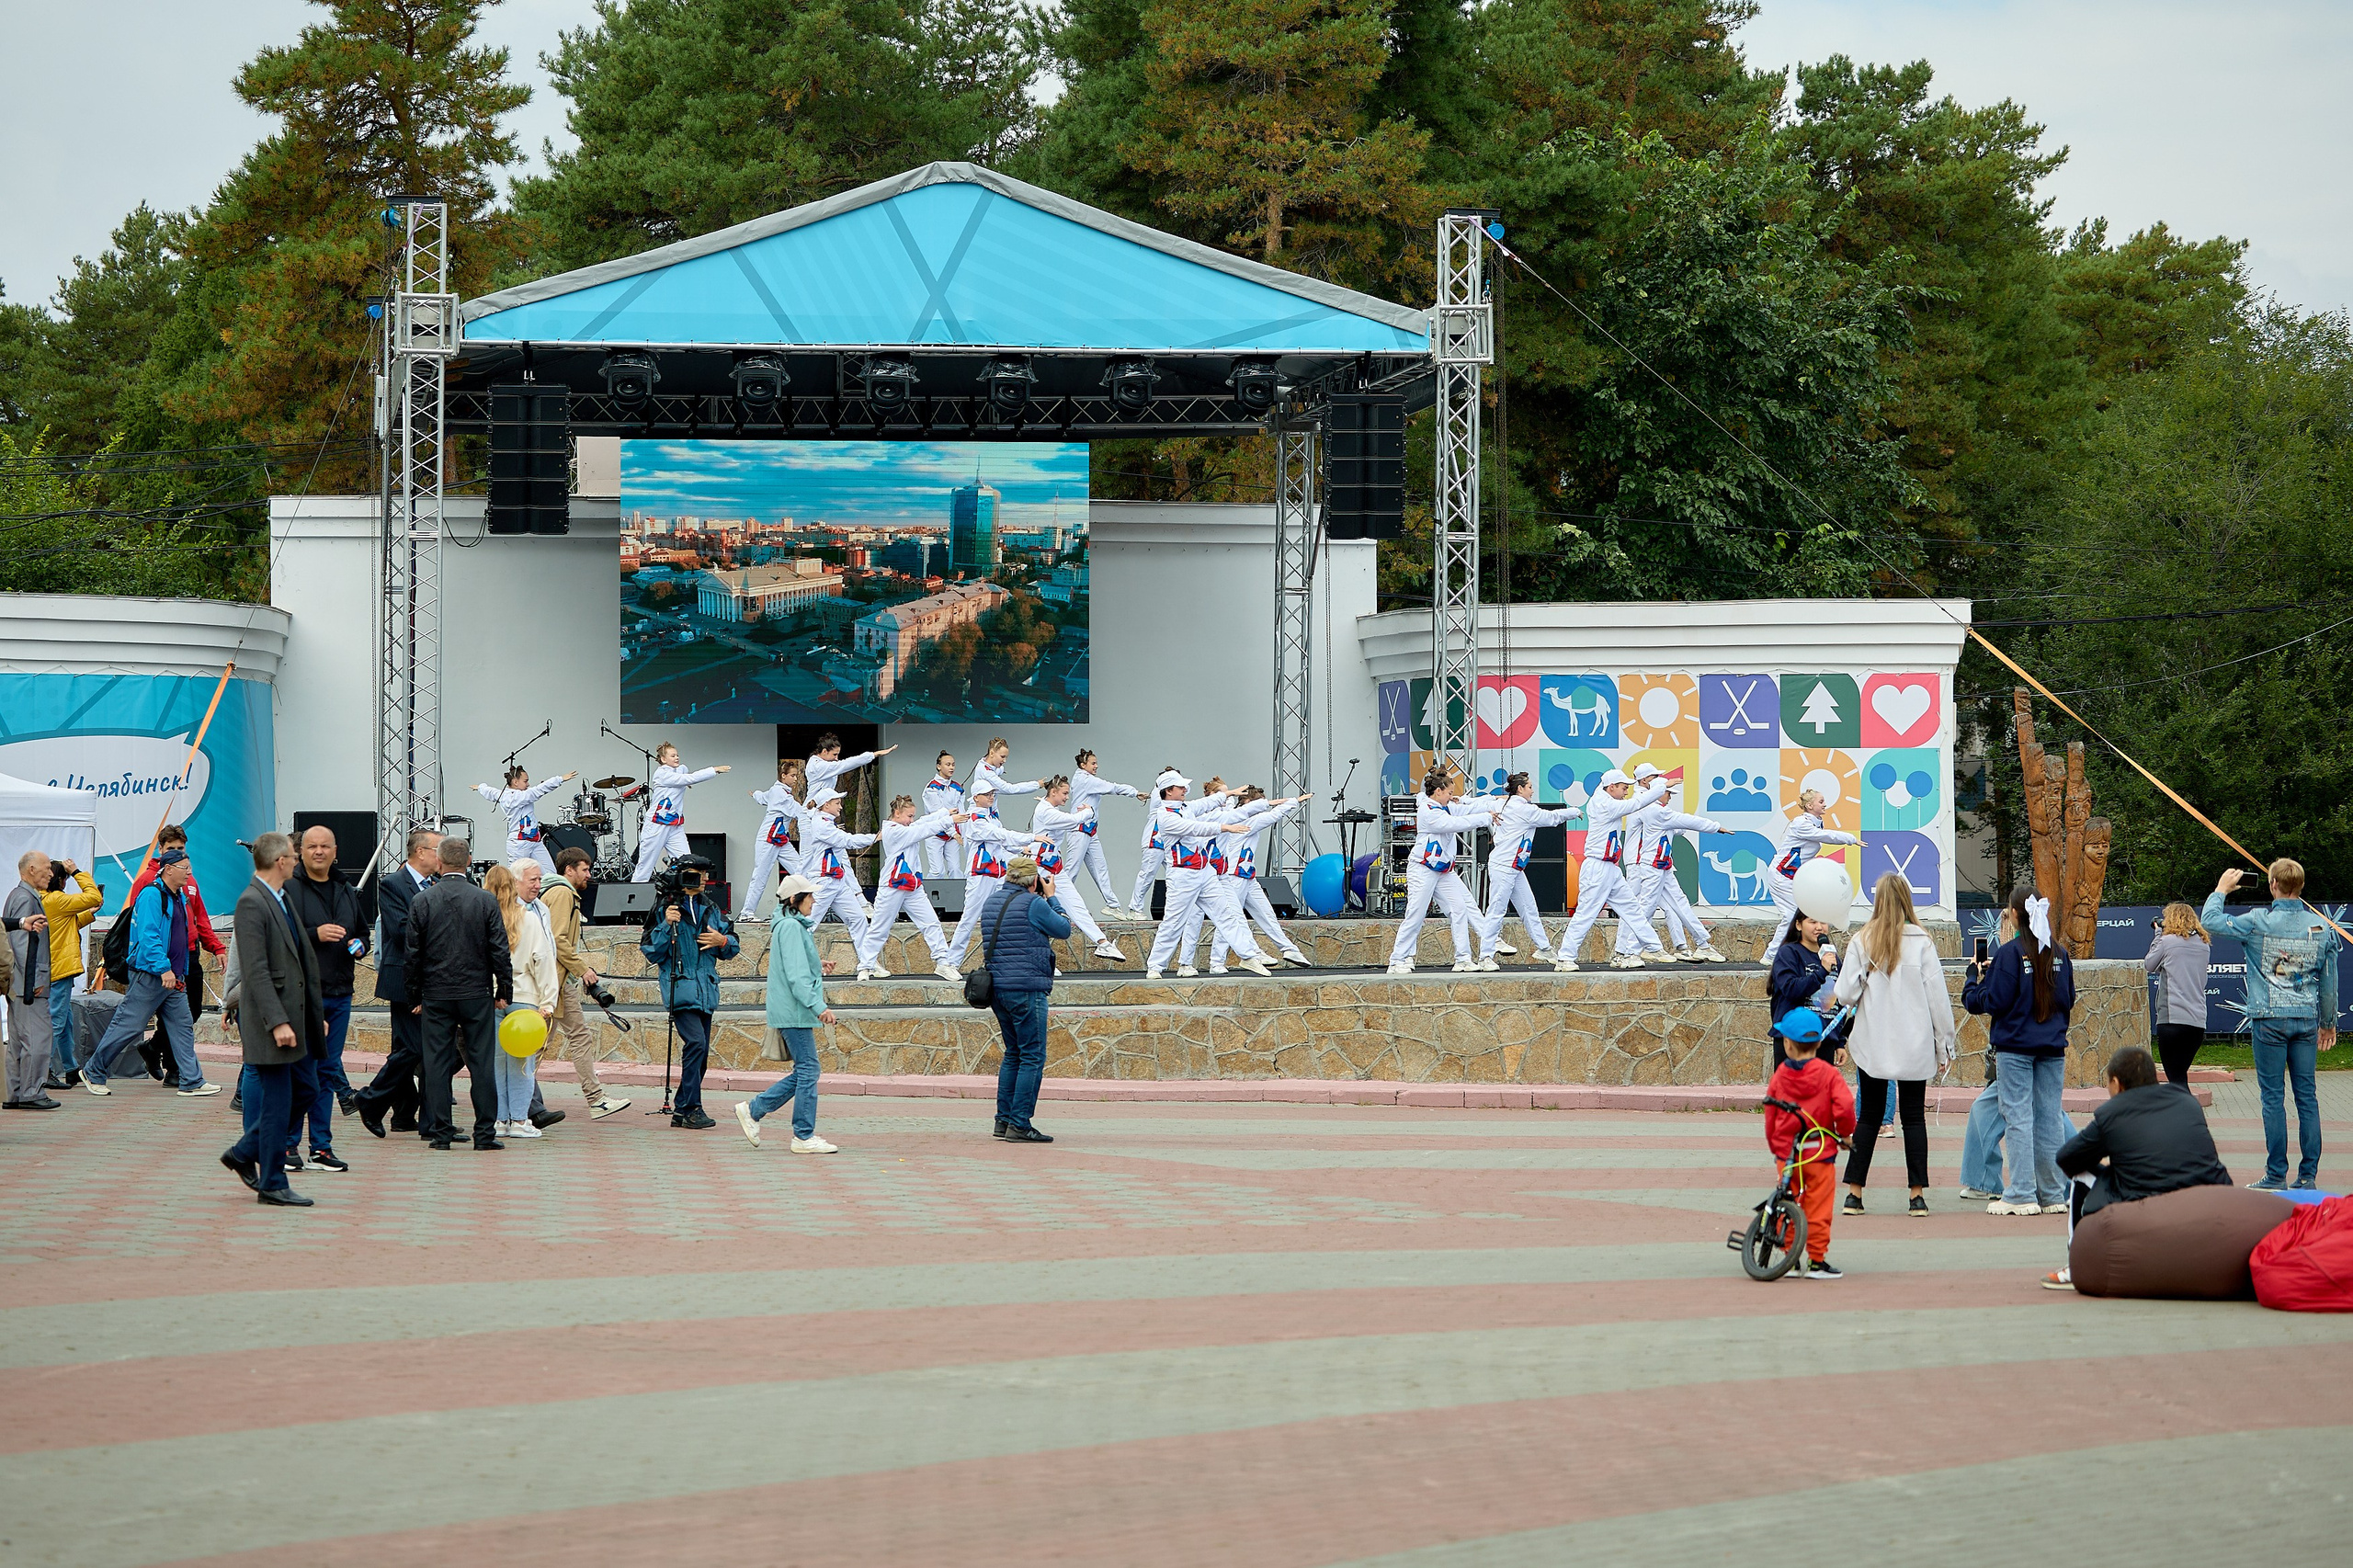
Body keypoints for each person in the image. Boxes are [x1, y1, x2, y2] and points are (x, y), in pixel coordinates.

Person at [2202, 859, 2340, 1190]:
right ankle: (2307, 1177)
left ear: (2273, 885)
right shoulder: (2321, 928)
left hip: (2269, 1020)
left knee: (2272, 1098)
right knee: (2307, 1097)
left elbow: (2210, 922)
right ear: (2301, 887)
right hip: (2305, 1020)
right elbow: (2329, 982)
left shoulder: (2257, 921)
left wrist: (2222, 889)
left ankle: (2276, 1174)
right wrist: (2328, 1023)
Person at [1835, 874, 1957, 1217]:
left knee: (1869, 1117)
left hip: (1873, 1043)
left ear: (1877, 901)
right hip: (1915, 1044)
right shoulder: (1922, 942)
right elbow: (1938, 1000)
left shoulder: (1862, 940)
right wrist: (1945, 1043)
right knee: (1914, 1118)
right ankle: (1916, 1196)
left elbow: (1845, 994)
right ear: (1907, 899)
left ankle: (1854, 1194)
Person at [222, 834, 328, 1207]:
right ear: (280, 861)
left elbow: (297, 961)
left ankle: (244, 1150)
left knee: (307, 1090)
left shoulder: (279, 897)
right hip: (273, 1023)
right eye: (293, 856)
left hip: (293, 1019)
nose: (298, 861)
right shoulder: (252, 902)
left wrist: (309, 1016)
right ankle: (272, 1181)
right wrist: (278, 1022)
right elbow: (257, 971)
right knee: (278, 1102)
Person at [1963, 884, 2076, 1215]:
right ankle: (2053, 1193)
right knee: (2049, 1119)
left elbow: (1992, 1001)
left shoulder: (2010, 954)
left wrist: (1974, 979)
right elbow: (2068, 999)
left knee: (2017, 1118)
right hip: (2052, 1048)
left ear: (2014, 914)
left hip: (2015, 1047)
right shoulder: (2059, 953)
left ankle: (2021, 1193)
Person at [81, 848, 216, 1096]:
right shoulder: (152, 896)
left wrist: (178, 972)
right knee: (129, 1026)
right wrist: (164, 968)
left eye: (190, 867)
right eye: (185, 867)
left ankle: (192, 1080)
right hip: (151, 975)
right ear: (169, 869)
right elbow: (149, 936)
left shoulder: (179, 897)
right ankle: (93, 1070)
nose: (190, 872)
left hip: (173, 978)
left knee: (182, 1025)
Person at [408, 836, 512, 1150]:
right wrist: (503, 988)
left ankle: (441, 1135)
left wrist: (414, 996)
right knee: (481, 1064)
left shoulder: (422, 901)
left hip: (436, 994)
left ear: (438, 863)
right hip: (475, 993)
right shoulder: (484, 900)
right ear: (468, 861)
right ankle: (485, 1135)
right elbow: (499, 949)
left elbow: (413, 953)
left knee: (437, 1064)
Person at [283, 826, 366, 1168]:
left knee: (327, 1072)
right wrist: (315, 934)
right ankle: (288, 1145)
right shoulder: (288, 889)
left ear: (335, 852)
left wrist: (360, 946)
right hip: (303, 995)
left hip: (339, 992)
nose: (318, 852)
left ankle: (321, 1147)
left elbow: (361, 931)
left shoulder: (346, 889)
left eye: (325, 847)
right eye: (311, 846)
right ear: (300, 851)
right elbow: (279, 938)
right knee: (301, 1072)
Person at [737, 873, 838, 1152]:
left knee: (807, 1070)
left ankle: (755, 1111)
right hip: (795, 1010)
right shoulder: (792, 927)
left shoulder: (787, 924)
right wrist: (820, 1008)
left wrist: (816, 965)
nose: (814, 901)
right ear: (795, 900)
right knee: (808, 1070)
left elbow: (794, 966)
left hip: (790, 1009)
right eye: (809, 896)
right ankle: (801, 1135)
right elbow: (795, 977)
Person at [119, 824, 227, 1083]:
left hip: (189, 954)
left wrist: (217, 947)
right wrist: (157, 960)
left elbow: (201, 918)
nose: (177, 854)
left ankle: (155, 1049)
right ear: (160, 850)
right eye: (171, 849)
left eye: (181, 849)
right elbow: (141, 922)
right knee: (168, 1014)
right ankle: (175, 1068)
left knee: (192, 1012)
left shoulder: (189, 879)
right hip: (162, 958)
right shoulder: (148, 880)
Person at [351, 827, 439, 1138]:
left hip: (432, 981)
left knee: (424, 1051)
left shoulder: (437, 885)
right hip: (403, 978)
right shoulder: (392, 885)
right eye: (436, 849)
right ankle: (371, 1099)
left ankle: (424, 1119)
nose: (441, 856)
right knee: (414, 1048)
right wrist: (442, 931)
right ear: (420, 852)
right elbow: (401, 930)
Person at [640, 858, 738, 1130]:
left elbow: (733, 945)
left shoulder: (711, 908)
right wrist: (664, 925)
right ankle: (692, 1107)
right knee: (695, 1043)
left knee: (701, 1051)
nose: (704, 878)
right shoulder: (665, 907)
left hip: (705, 988)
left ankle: (682, 1109)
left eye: (707, 873)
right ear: (683, 877)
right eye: (698, 874)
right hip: (680, 987)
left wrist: (724, 941)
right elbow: (650, 950)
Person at [1763, 1008, 1858, 1279]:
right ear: (1819, 1043)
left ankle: (1790, 1258)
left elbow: (1771, 1114)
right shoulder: (1828, 1075)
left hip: (1788, 1154)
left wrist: (1776, 1146)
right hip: (1820, 1152)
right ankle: (1817, 1260)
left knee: (1787, 1202)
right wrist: (1846, 1134)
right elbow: (1845, 1105)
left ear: (1788, 1044)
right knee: (1819, 1207)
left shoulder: (1781, 1074)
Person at [1142, 773, 1264, 980]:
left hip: (1204, 872)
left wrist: (1228, 794)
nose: (1184, 790)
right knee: (1173, 922)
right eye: (1180, 787)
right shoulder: (1165, 816)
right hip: (1182, 876)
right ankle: (1155, 966)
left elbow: (1204, 802)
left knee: (1225, 913)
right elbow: (1194, 828)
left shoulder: (1185, 808)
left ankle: (1248, 955)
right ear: (1168, 791)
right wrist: (1224, 827)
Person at [541, 846, 631, 1117]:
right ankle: (595, 1099)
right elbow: (558, 939)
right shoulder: (562, 893)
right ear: (569, 870)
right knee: (555, 1041)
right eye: (584, 870)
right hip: (555, 982)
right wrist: (582, 970)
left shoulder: (556, 892)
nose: (589, 875)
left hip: (556, 979)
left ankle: (516, 1102)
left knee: (546, 1042)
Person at [1384, 770, 1503, 975]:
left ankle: (1463, 959)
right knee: (1416, 914)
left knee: (1459, 910)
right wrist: (1486, 818)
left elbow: (1467, 810)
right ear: (1438, 792)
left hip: (1443, 870)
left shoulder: (1443, 807)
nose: (1452, 796)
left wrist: (1492, 802)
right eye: (1449, 792)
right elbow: (1456, 824)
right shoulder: (1428, 811)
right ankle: (1397, 960)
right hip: (1423, 869)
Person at [1553, 768, 1670, 973]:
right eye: (1624, 788)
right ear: (1612, 787)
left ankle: (1653, 947)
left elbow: (1632, 802)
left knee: (1632, 908)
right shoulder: (1603, 804)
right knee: (1586, 914)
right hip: (1598, 867)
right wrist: (1660, 787)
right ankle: (1565, 957)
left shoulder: (1606, 799)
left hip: (1610, 867)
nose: (1626, 792)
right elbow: (1636, 804)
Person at [988, 857, 1071, 1142]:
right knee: (1032, 1056)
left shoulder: (991, 902)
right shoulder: (1033, 903)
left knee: (1013, 1053)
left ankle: (1003, 1120)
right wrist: (1052, 898)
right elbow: (1063, 929)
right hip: (1026, 987)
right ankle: (1020, 1123)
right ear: (1034, 881)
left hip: (997, 988)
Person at [1623, 763, 1733, 963]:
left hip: (1662, 864)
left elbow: (1679, 824)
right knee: (1644, 908)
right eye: (1668, 793)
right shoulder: (1651, 808)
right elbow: (1686, 820)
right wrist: (1716, 827)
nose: (1670, 796)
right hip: (1649, 864)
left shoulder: (1654, 807)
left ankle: (1703, 944)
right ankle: (1629, 951)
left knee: (1680, 905)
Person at [1472, 772, 1580, 970]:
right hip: (1505, 866)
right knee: (1496, 910)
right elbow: (1552, 817)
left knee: (1529, 908)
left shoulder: (1503, 804)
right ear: (1520, 789)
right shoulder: (1525, 810)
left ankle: (1544, 948)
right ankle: (1485, 956)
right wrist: (1573, 811)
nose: (1532, 790)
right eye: (1530, 786)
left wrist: (1463, 800)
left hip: (1513, 867)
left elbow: (1479, 803)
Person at [859, 794, 971, 983]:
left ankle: (943, 962)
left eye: (912, 817)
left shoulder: (906, 826)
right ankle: (865, 966)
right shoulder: (893, 831)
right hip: (893, 885)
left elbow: (922, 822)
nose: (912, 820)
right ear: (897, 813)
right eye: (909, 816)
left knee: (931, 923)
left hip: (912, 885)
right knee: (880, 927)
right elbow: (923, 830)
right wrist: (948, 820)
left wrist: (944, 812)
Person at [1206, 787, 1313, 972]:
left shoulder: (1246, 817)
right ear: (1247, 803)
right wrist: (1294, 801)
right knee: (1231, 918)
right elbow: (1271, 817)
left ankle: (1288, 949)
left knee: (1267, 914)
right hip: (1234, 876)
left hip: (1247, 876)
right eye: (1259, 802)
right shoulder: (1246, 820)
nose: (1263, 807)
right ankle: (1217, 961)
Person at [946, 786, 1050, 971]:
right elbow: (1000, 836)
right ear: (976, 797)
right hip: (981, 875)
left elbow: (1001, 844)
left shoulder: (990, 817)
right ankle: (951, 963)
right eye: (987, 794)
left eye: (992, 793)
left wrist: (1020, 849)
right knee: (970, 918)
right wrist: (1031, 838)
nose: (991, 796)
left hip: (998, 873)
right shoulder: (976, 819)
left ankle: (1019, 960)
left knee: (1012, 915)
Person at [490, 861, 558, 1139]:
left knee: (496, 1062)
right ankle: (519, 1119)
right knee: (521, 1062)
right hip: (524, 995)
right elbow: (542, 959)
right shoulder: (529, 918)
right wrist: (549, 1000)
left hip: (491, 996)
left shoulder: (485, 916)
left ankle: (499, 1120)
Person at [1031, 778, 1129, 962]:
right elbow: (1072, 821)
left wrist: (1084, 815)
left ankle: (1102, 943)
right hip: (1039, 869)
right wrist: (1089, 811)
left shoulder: (1051, 810)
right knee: (1037, 915)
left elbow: (1070, 822)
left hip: (1053, 868)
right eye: (1065, 793)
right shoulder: (1046, 812)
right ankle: (1040, 958)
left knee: (1076, 905)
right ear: (1053, 792)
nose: (1068, 797)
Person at [37, 855, 100, 1087]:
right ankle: (46, 1071)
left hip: (53, 967)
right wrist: (77, 871)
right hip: (60, 969)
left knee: (65, 1022)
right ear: (61, 880)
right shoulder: (57, 900)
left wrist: (89, 912)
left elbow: (67, 924)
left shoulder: (48, 900)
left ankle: (71, 1067)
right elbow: (93, 895)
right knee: (56, 1021)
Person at [4, 853, 60, 1109]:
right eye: (47, 869)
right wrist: (33, 981)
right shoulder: (25, 898)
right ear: (32, 868)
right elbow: (20, 943)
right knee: (38, 1037)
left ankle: (16, 1094)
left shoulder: (21, 896)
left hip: (21, 982)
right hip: (29, 984)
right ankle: (32, 1093)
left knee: (19, 1041)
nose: (51, 874)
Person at [631, 742, 729, 881]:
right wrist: (714, 770)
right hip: (657, 825)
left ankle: (685, 898)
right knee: (645, 867)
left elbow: (683, 769)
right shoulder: (662, 774)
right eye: (672, 756)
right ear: (663, 759)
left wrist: (684, 778)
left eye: (677, 755)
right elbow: (689, 777)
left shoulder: (678, 770)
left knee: (687, 862)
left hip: (674, 826)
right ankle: (635, 899)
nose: (677, 758)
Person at [1764, 790, 1859, 930]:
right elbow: (1826, 836)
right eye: (1821, 802)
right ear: (1809, 805)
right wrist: (1850, 839)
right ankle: (1773, 953)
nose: (1825, 804)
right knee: (1793, 918)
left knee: (1802, 917)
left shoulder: (1815, 823)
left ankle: (1795, 950)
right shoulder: (1801, 824)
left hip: (1792, 876)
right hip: (1782, 875)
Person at [799, 787, 877, 951]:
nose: (840, 807)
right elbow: (847, 841)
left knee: (858, 919)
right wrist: (876, 837)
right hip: (823, 881)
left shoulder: (827, 823)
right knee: (808, 923)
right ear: (826, 805)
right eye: (837, 803)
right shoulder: (821, 824)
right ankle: (792, 963)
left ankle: (867, 963)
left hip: (836, 881)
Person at [2143, 903, 2213, 1086]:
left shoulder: (2167, 942)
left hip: (2172, 1020)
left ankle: (2187, 1113)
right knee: (2180, 1077)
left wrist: (2158, 934)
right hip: (2197, 1022)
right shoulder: (2204, 945)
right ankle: (2183, 1112)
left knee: (2176, 1080)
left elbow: (2149, 965)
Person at [1067, 749, 1142, 915]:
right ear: (1083, 765)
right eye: (1093, 763)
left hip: (1090, 831)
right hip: (1079, 831)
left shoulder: (1085, 778)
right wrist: (1135, 793)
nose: (1096, 766)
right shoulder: (1086, 780)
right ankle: (1054, 904)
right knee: (1071, 871)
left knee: (1100, 868)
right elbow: (1112, 787)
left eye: (1096, 763)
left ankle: (1112, 905)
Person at [737, 758, 808, 921]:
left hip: (780, 840)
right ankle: (746, 913)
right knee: (760, 876)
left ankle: (812, 908)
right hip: (768, 839)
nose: (796, 779)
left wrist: (755, 794)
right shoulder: (780, 794)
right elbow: (799, 811)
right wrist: (818, 814)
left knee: (801, 870)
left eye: (796, 775)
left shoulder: (776, 791)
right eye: (793, 776)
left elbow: (763, 797)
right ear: (783, 776)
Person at [1768, 915, 1841, 1073]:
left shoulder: (1833, 959)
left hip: (1824, 1040)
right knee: (1790, 1095)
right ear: (1799, 925)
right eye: (1812, 922)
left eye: (1823, 921)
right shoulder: (1788, 953)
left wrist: (1839, 1042)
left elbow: (1839, 1001)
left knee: (1820, 1095)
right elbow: (1791, 989)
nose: (1819, 927)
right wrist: (1822, 972)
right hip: (1794, 1040)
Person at [473, 765, 578, 874]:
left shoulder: (505, 795)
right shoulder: (517, 797)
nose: (528, 784)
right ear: (515, 782)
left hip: (535, 841)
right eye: (525, 781)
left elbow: (492, 792)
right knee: (516, 877)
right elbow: (538, 790)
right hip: (519, 843)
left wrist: (481, 787)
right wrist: (560, 779)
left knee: (550, 873)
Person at [920, 750, 967, 878]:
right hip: (935, 834)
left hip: (953, 835)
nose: (951, 767)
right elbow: (939, 815)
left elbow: (961, 812)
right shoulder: (931, 788)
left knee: (956, 870)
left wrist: (964, 833)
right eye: (948, 764)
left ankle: (958, 897)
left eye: (953, 764)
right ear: (939, 766)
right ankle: (928, 897)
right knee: (937, 871)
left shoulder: (958, 788)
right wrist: (954, 833)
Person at [971, 738, 1039, 813]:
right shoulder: (987, 773)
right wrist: (1037, 785)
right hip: (983, 812)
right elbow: (1010, 789)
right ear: (992, 753)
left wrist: (1001, 770)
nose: (1005, 761)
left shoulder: (985, 764)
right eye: (1002, 757)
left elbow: (998, 769)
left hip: (990, 811)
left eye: (1006, 757)